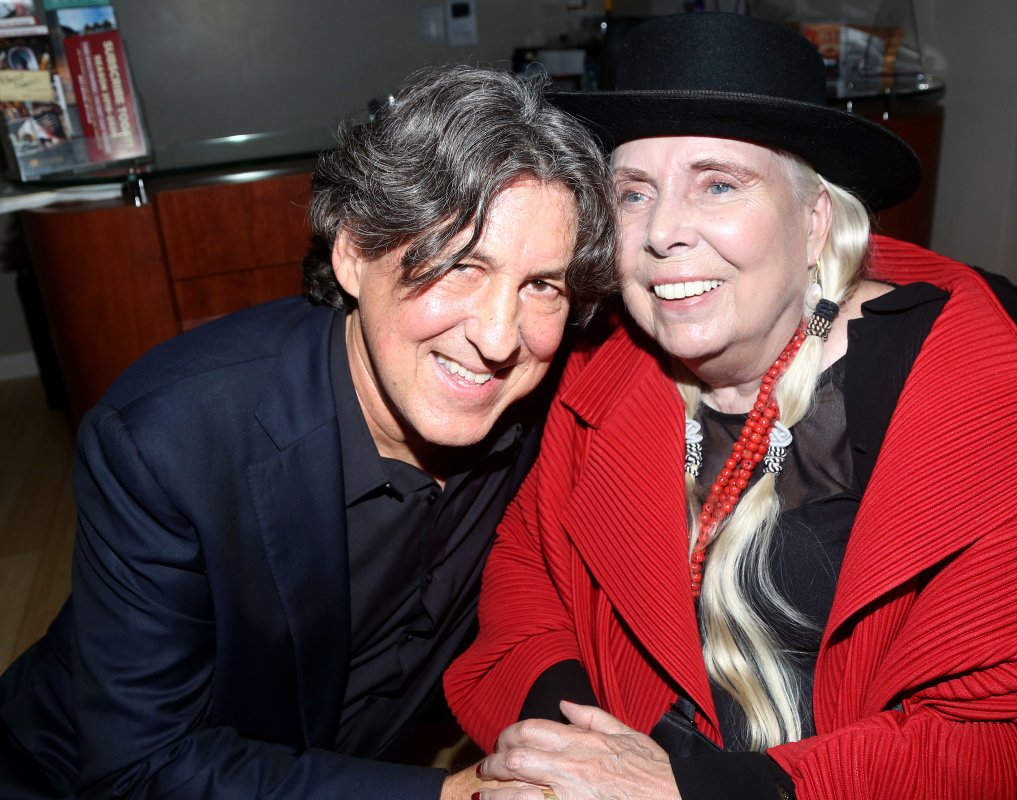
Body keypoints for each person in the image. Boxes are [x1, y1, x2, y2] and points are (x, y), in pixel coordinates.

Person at [445, 13, 1017, 799]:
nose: (664, 232)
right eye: (633, 193)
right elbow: (527, 577)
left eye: (719, 183)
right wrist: (570, 752)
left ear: (816, 220)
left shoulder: (978, 411)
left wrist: (695, 792)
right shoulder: (598, 372)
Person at [0, 65, 615, 799]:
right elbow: (139, 769)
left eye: (541, 285)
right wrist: (444, 796)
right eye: (459, 265)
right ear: (353, 252)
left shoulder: (540, 406)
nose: (496, 334)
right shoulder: (170, 442)